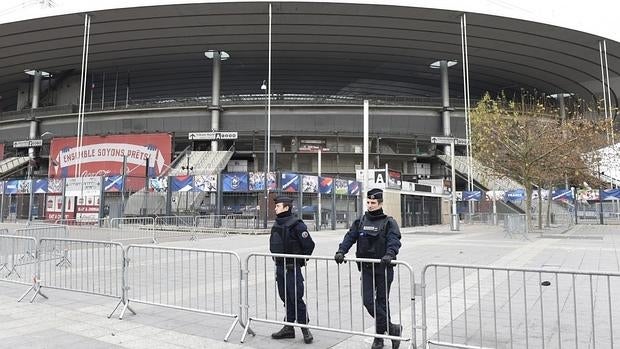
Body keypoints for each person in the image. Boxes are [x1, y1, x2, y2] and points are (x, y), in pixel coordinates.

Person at [334, 188, 402, 349]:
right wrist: (341, 251)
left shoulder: (389, 222)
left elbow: (394, 241)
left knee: (382, 302)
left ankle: (379, 338)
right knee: (368, 301)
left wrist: (390, 254)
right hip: (366, 268)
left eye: (373, 203)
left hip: (384, 268)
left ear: (380, 203)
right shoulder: (361, 221)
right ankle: (392, 329)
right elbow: (350, 237)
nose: (370, 205)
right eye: (368, 202)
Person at [269, 195, 315, 344]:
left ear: (286, 207)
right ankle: (289, 328)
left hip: (292, 268)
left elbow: (309, 245)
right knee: (285, 298)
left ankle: (305, 328)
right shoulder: (277, 224)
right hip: (280, 267)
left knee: (296, 298)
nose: (275, 208)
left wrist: (300, 261)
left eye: (278, 206)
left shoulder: (297, 225)